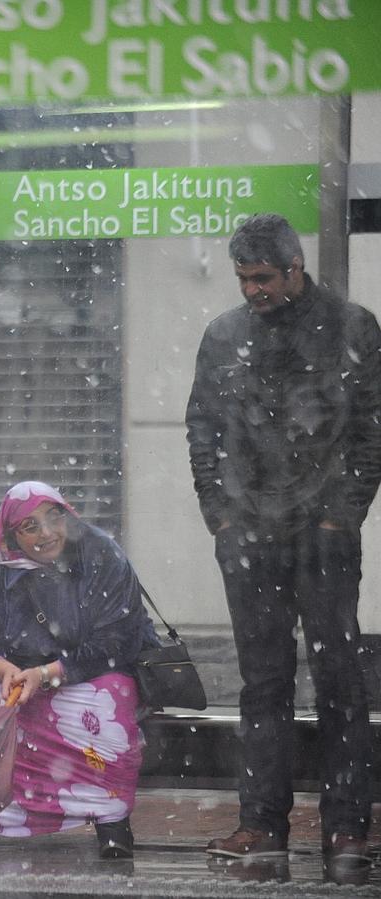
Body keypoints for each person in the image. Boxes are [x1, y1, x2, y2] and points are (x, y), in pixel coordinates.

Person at [186, 213, 380, 885]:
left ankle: (346, 828)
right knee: (263, 685)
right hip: (252, 535)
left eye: (263, 277)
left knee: (339, 683)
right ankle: (264, 824)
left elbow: (371, 431)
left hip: (320, 536)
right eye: (244, 278)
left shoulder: (352, 327)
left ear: (296, 267)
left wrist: (339, 518)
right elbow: (201, 427)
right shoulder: (226, 335)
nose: (252, 290)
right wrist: (220, 517)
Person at [0, 481, 159, 859]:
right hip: (19, 675)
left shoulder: (100, 552)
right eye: (30, 526)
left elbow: (118, 641)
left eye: (54, 518)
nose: (47, 533)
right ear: (11, 534)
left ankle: (111, 819)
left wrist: (48, 674)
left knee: (110, 696)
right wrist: (3, 671)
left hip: (89, 672)